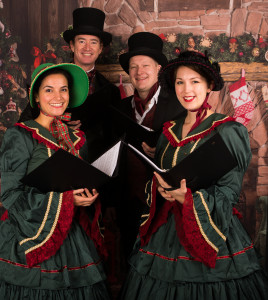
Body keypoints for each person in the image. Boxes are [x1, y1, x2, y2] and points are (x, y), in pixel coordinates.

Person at [119, 51, 268, 299]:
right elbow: (158, 178)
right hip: (165, 236)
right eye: (180, 82)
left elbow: (230, 194)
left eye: (195, 81)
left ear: (210, 85)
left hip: (212, 233)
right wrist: (160, 189)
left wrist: (188, 199)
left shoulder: (229, 131)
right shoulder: (168, 132)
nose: (186, 89)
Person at [0, 63, 111, 300]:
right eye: (49, 90)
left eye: (63, 89)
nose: (58, 97)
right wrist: (66, 200)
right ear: (36, 95)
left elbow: (80, 181)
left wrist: (86, 196)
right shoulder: (20, 135)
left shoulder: (76, 139)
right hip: (26, 235)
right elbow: (11, 194)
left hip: (72, 235)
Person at [116, 32, 185, 259]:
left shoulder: (178, 105)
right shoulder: (121, 108)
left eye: (146, 65)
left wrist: (164, 150)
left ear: (158, 69)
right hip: (127, 203)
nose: (139, 72)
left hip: (164, 202)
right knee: (130, 260)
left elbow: (190, 149)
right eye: (133, 67)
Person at [62, 7, 121, 163]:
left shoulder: (111, 92)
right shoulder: (50, 82)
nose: (87, 48)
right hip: (59, 164)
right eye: (82, 41)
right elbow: (29, 124)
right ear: (72, 46)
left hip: (97, 172)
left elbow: (115, 142)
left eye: (93, 42)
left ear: (100, 48)